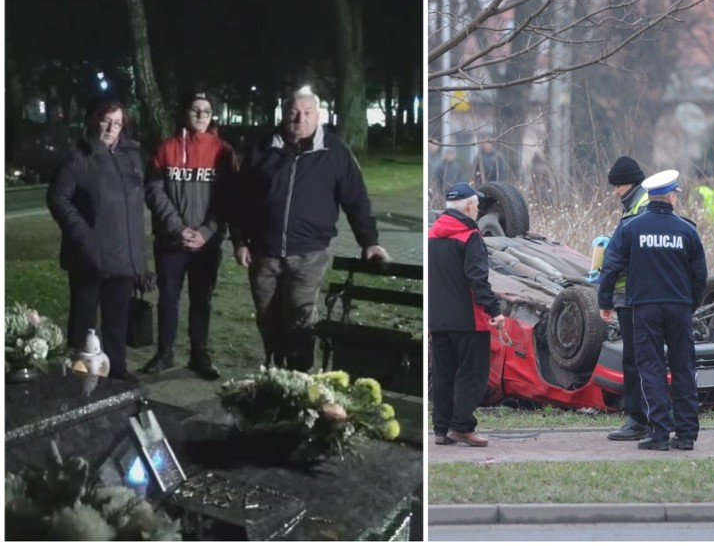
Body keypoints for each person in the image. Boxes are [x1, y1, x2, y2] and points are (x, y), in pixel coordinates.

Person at [230, 87, 390, 371]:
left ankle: (301, 376)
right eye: (293, 112)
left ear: (318, 115)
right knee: (267, 317)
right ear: (283, 112)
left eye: (307, 113)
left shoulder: (334, 152)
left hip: (308, 255)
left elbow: (356, 200)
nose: (299, 118)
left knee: (301, 318)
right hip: (262, 253)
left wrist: (370, 241)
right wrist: (240, 240)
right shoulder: (262, 148)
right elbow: (240, 198)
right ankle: (274, 371)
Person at [598, 170, 707, 451]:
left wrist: (605, 302)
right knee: (684, 368)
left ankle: (658, 434)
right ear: (671, 197)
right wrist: (690, 303)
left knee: (651, 369)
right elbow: (700, 276)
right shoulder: (687, 229)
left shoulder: (631, 227)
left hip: (644, 308)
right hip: (679, 308)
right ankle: (685, 435)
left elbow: (610, 266)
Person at [46, 101, 146, 382]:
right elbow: (57, 198)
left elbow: (134, 213)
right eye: (106, 121)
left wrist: (140, 260)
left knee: (118, 318)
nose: (111, 128)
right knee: (83, 319)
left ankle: (117, 368)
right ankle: (78, 371)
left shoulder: (132, 157)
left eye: (117, 123)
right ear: (94, 121)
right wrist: (82, 232)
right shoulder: (79, 157)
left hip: (122, 256)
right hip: (88, 256)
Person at [142, 90, 236, 380]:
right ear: (185, 113)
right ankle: (165, 352)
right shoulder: (165, 148)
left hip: (206, 244)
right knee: (168, 298)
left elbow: (227, 198)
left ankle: (199, 354)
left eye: (206, 111)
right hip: (172, 242)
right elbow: (154, 191)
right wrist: (177, 227)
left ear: (212, 115)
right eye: (195, 109)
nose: (200, 115)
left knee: (201, 299)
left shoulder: (223, 151)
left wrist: (206, 232)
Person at [429, 183, 505, 447]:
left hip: (437, 319)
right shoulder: (470, 236)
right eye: (477, 205)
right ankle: (462, 427)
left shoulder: (431, 235)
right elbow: (477, 279)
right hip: (469, 320)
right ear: (470, 206)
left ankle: (441, 429)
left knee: (443, 374)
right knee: (471, 374)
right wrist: (494, 310)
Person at [603, 156, 650, 441]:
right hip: (646, 294)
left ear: (629, 183)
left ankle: (637, 419)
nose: (614, 192)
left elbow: (618, 256)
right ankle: (655, 416)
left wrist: (604, 296)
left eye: (617, 186)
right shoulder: (641, 204)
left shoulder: (638, 210)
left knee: (634, 360)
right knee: (650, 358)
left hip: (632, 296)